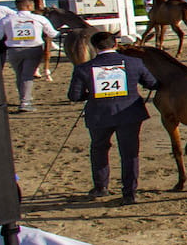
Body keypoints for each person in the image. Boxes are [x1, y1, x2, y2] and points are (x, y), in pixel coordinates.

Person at [66, 31, 157, 203]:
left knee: (99, 149)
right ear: (115, 44)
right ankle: (129, 193)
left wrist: (92, 95)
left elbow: (74, 96)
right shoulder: (134, 63)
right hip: (129, 114)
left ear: (93, 47)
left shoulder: (83, 68)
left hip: (99, 115)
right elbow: (151, 83)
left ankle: (101, 187)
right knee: (130, 153)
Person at [0, 0, 58, 113]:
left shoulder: (6, 19)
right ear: (29, 6)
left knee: (19, 75)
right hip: (33, 49)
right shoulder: (39, 18)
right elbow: (52, 33)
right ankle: (25, 102)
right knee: (27, 76)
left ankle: (24, 99)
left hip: (14, 50)